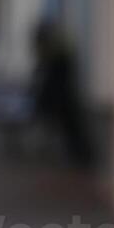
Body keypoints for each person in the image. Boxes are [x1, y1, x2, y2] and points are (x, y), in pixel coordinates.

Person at [30, 20, 93, 167]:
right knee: (69, 130)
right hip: (58, 100)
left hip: (59, 100)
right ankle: (76, 155)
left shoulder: (56, 57)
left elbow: (50, 81)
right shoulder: (55, 56)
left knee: (70, 130)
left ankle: (78, 156)